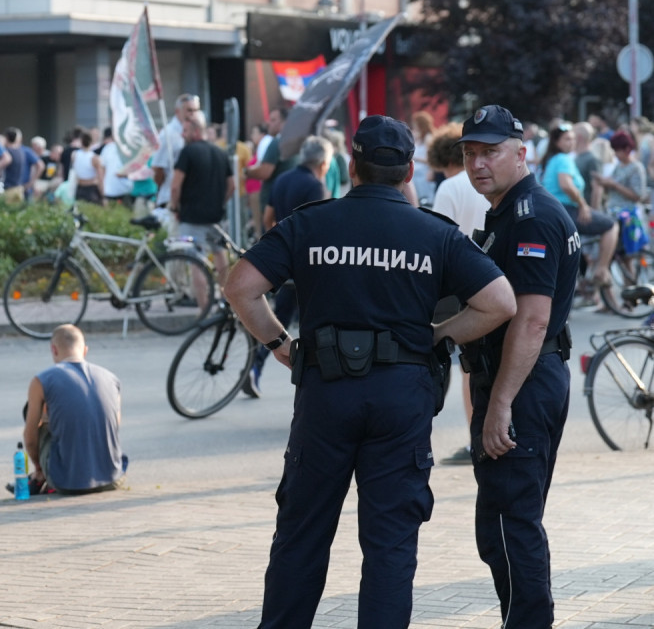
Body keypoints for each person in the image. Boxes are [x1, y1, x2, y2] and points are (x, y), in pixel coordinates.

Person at [224, 114, 515, 628]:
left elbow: (240, 286)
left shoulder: (309, 223)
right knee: (390, 545)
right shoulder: (434, 233)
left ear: (351, 165)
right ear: (408, 173)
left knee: (302, 534)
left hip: (325, 394)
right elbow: (499, 302)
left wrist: (276, 342)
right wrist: (440, 334)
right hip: (401, 397)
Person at [458, 104, 580, 629]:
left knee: (512, 525)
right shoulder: (509, 210)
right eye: (469, 153)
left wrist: (500, 403)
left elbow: (532, 321)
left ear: (521, 153)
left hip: (524, 382)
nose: (479, 163)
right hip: (524, 378)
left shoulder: (531, 215)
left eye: (491, 151)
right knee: (500, 526)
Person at [248, 135, 333, 396]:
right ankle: (315, 383)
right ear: (322, 162)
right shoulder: (315, 186)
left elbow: (267, 218)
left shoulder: (283, 179)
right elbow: (319, 230)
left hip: (286, 263)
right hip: (309, 266)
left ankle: (254, 368)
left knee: (278, 321)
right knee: (317, 326)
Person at [429, 123, 491, 465]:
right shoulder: (493, 185)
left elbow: (440, 242)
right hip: (499, 281)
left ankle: (476, 439)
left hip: (464, 289)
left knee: (471, 369)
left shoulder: (449, 189)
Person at [20, 324, 125, 495]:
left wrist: (40, 468)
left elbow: (30, 437)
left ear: (53, 350)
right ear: (85, 350)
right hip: (113, 478)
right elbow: (114, 425)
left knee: (34, 412)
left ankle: (41, 476)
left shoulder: (42, 380)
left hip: (66, 482)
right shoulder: (111, 378)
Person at [541, 123, 617, 288]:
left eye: (573, 139)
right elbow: (566, 185)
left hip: (553, 213)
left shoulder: (553, 159)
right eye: (567, 139)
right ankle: (602, 269)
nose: (572, 142)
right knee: (611, 225)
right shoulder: (563, 159)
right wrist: (583, 205)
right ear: (557, 142)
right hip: (566, 211)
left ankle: (584, 281)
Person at [171, 110, 234, 286]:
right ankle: (226, 302)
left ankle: (204, 309)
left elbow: (175, 186)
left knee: (196, 262)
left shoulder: (187, 152)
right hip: (215, 217)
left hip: (192, 217)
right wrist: (221, 201)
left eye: (185, 131)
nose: (183, 135)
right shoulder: (220, 153)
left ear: (196, 131)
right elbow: (232, 185)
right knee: (221, 255)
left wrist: (175, 207)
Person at [152, 94, 200, 208]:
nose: (192, 114)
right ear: (178, 111)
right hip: (170, 198)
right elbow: (158, 168)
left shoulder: (196, 132)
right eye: (189, 110)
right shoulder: (168, 135)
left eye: (195, 110)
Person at [1, 127, 40, 204]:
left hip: (10, 189)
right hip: (20, 188)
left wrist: (31, 183)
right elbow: (40, 165)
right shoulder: (22, 151)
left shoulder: (7, 152)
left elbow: (40, 165)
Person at [69, 134, 105, 205]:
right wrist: (103, 195)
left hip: (79, 188)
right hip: (91, 189)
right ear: (91, 142)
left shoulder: (74, 155)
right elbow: (100, 178)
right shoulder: (95, 158)